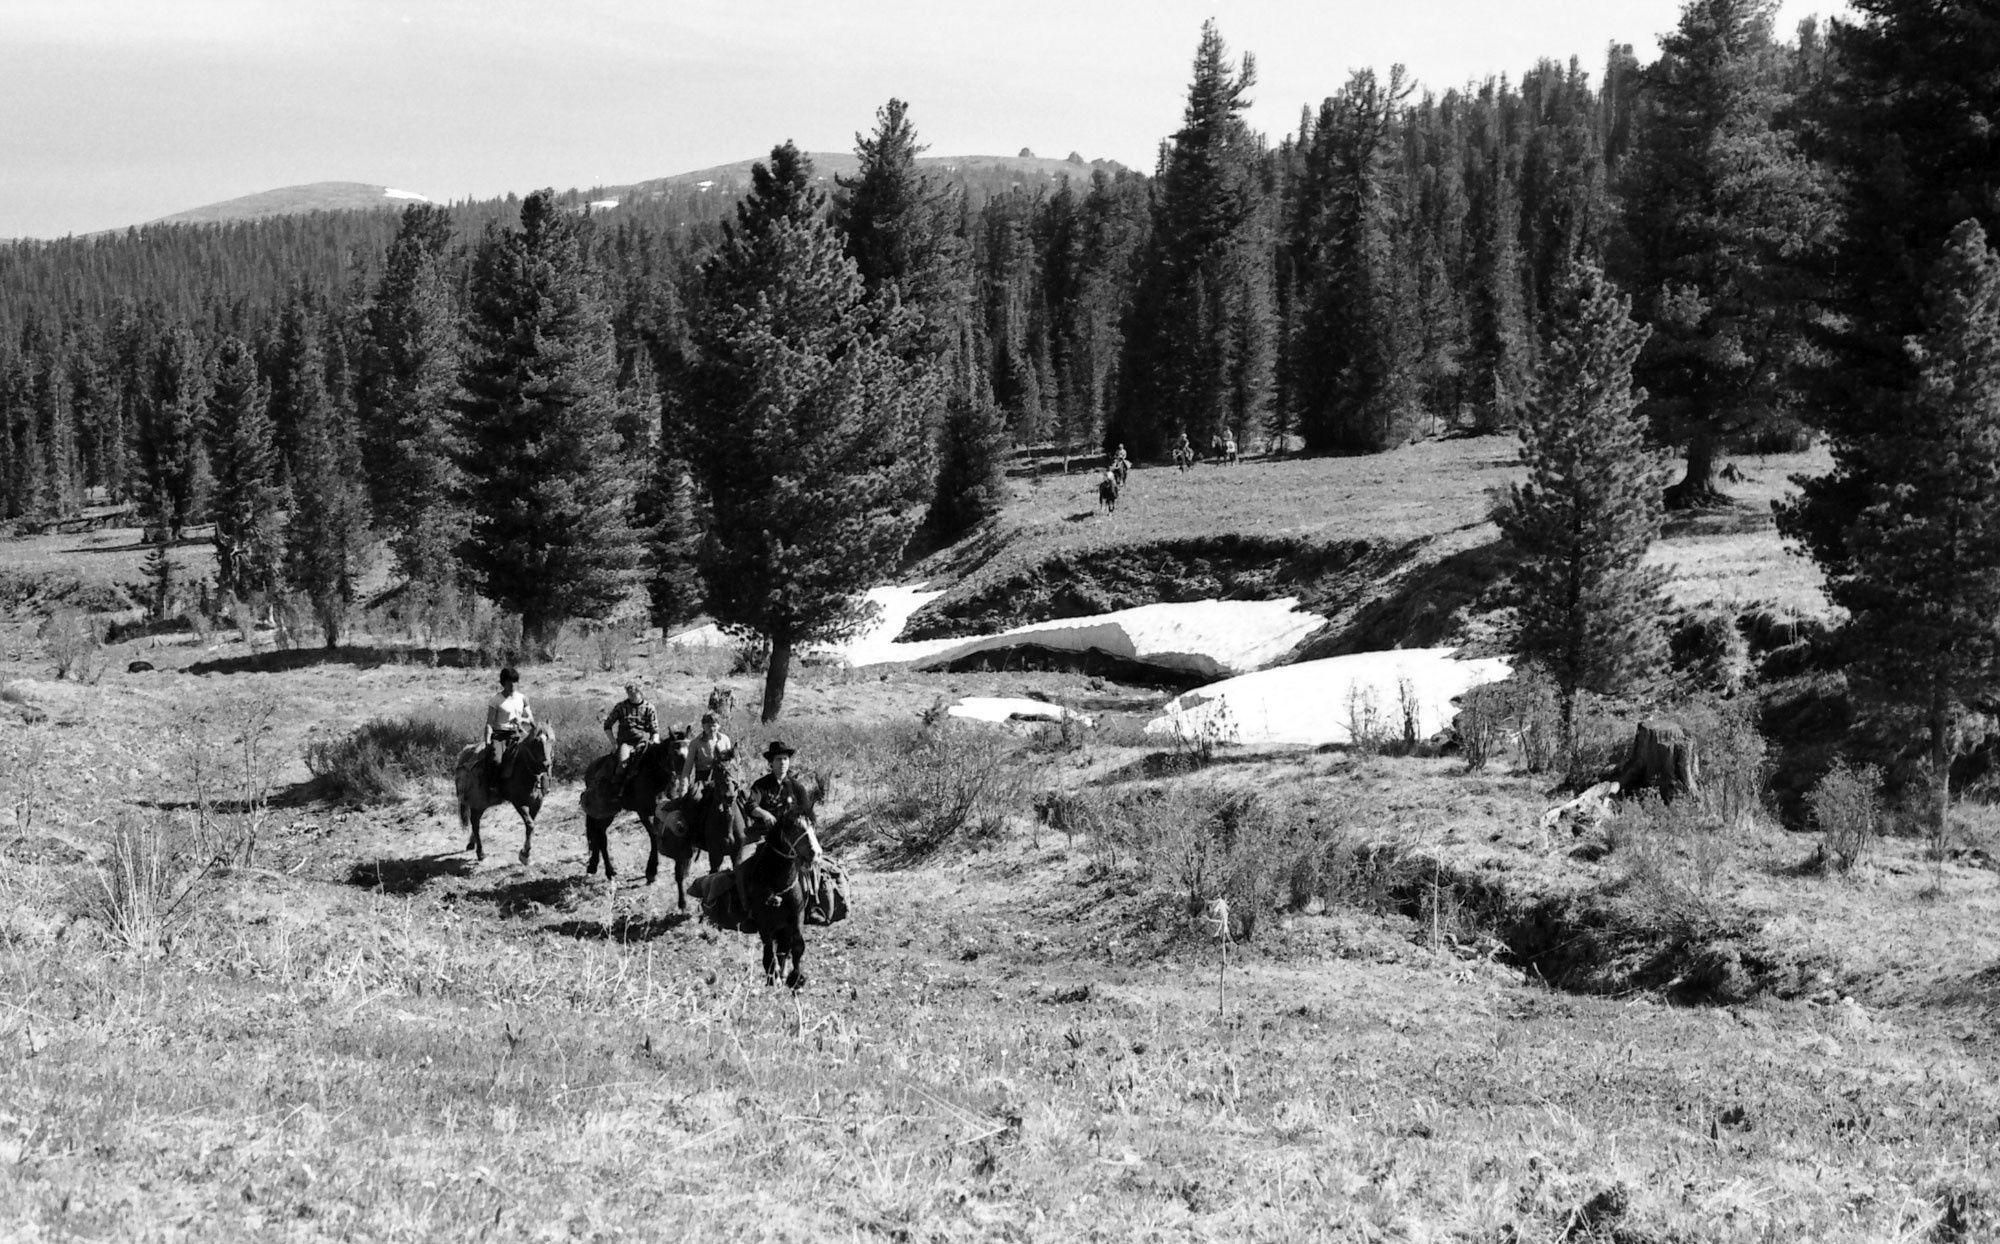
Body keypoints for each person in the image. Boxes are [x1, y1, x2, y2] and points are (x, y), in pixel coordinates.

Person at [748, 739, 816, 840]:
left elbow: (807, 812)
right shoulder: (760, 785)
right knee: (746, 851)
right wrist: (764, 814)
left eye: (785, 759)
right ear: (771, 762)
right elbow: (750, 805)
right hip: (763, 834)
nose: (782, 763)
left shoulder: (797, 787)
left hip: (791, 837)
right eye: (778, 759)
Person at [601, 682, 659, 793]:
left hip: (644, 743)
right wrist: (613, 743)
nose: (631, 695)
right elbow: (607, 725)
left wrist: (655, 742)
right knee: (623, 764)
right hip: (626, 743)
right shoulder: (621, 707)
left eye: (634, 692)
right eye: (628, 692)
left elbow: (655, 730)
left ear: (640, 692)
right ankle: (617, 792)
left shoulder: (649, 708)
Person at [484, 666, 533, 786]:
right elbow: (489, 724)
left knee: (535, 755)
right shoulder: (495, 700)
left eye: (515, 682)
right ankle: (494, 787)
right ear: (503, 683)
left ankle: (538, 785)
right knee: (497, 760)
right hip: (500, 735)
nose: (512, 685)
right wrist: (488, 742)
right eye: (509, 682)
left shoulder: (522, 698)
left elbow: (531, 720)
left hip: (518, 733)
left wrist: (521, 720)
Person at [681, 711, 736, 790]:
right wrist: (684, 786)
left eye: (714, 726)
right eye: (708, 726)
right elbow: (687, 767)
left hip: (722, 779)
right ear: (703, 726)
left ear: (719, 726)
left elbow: (730, 763)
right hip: (702, 780)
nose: (712, 729)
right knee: (696, 796)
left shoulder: (725, 740)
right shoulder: (695, 743)